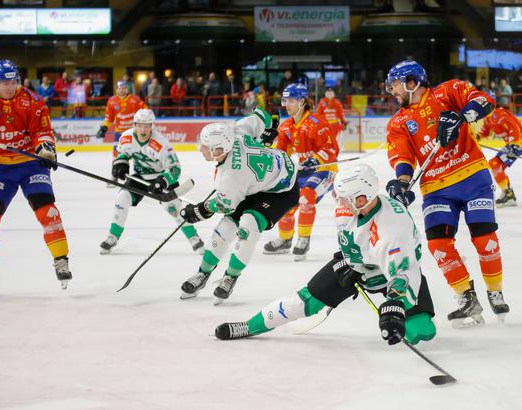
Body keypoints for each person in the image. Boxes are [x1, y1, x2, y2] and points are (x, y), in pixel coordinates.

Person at [215, 164, 436, 345]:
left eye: (343, 198)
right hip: (360, 264)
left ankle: (411, 315)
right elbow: (357, 238)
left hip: (394, 271)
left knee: (421, 332)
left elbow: (404, 272)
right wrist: (347, 260)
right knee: (303, 302)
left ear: (361, 198)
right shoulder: (361, 206)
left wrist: (394, 307)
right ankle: (250, 325)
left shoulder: (391, 233)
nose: (339, 202)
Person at [383, 60, 509, 327]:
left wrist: (462, 116)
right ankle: (466, 297)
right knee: (438, 245)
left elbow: (485, 100)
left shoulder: (448, 92)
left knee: (485, 237)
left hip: (473, 176)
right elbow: (403, 157)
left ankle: (495, 290)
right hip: (436, 189)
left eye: (395, 85)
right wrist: (401, 183)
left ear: (411, 82)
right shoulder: (398, 122)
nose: (392, 91)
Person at [0, 59, 72, 297]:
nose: (10, 86)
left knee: (48, 213)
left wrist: (45, 150)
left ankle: (61, 261)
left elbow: (42, 132)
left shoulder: (33, 101)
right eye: (5, 82)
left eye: (14, 81)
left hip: (31, 165)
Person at [179, 116, 299, 304]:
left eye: (204, 145)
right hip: (257, 182)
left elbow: (224, 204)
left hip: (281, 191)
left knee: (248, 225)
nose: (199, 148)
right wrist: (271, 127)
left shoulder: (231, 177)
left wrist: (199, 210)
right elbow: (262, 115)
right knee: (225, 228)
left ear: (218, 150)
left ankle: (231, 276)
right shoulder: (238, 132)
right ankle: (202, 273)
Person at [100, 109, 204, 255]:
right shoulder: (126, 137)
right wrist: (120, 164)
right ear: (135, 124)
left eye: (147, 126)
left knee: (174, 209)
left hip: (161, 178)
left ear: (152, 126)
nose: (143, 129)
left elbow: (175, 168)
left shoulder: (161, 143)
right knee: (121, 198)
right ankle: (112, 237)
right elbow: (122, 153)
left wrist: (163, 181)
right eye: (140, 125)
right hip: (140, 177)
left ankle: (193, 237)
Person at [262, 84, 339, 261]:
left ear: (302, 102)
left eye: (291, 100)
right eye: (284, 100)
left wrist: (316, 159)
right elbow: (281, 153)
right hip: (302, 172)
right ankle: (285, 239)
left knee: (306, 197)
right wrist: (266, 150)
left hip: (324, 170)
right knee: (284, 199)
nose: (286, 104)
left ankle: (304, 239)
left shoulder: (317, 123)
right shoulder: (286, 126)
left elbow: (332, 149)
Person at [476, 107, 522, 207]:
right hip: (512, 144)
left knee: (494, 164)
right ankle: (508, 193)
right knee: (496, 165)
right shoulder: (488, 118)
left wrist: (514, 146)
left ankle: (508, 194)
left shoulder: (499, 114)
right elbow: (485, 131)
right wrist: (477, 137)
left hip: (520, 143)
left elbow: (514, 128)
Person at [96, 80, 146, 162]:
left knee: (138, 153)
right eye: (120, 88)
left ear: (127, 89)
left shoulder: (136, 100)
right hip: (119, 132)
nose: (122, 90)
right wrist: (104, 128)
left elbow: (145, 112)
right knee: (117, 152)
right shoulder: (111, 101)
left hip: (134, 132)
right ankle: (117, 167)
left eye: (124, 88)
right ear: (116, 89)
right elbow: (109, 118)